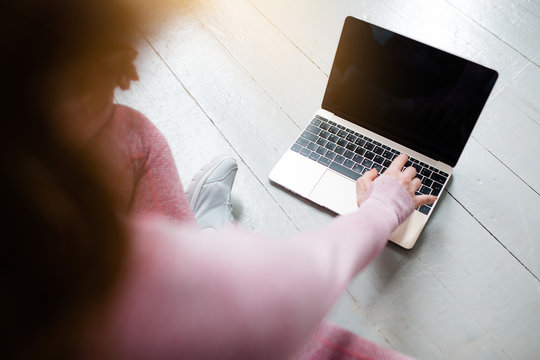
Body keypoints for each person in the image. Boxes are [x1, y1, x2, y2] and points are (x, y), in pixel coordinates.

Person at [1, 1, 436, 359]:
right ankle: (208, 237)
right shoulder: (99, 285)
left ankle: (200, 238)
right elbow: (287, 289)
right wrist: (383, 206)